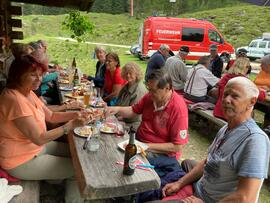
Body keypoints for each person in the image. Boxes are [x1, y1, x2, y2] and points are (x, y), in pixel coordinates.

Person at [161, 77, 270, 203]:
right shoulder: (226, 128)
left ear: (252, 101)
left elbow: (245, 198)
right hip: (202, 187)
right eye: (225, 94)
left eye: (234, 96)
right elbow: (209, 160)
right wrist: (179, 184)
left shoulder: (255, 140)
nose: (226, 100)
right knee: (187, 163)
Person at [0, 55, 92, 202]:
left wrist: (76, 113)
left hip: (33, 148)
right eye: (32, 75)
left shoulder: (27, 92)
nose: (39, 79)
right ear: (17, 75)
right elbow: (39, 138)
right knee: (80, 172)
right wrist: (70, 126)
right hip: (20, 159)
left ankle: (53, 180)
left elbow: (51, 116)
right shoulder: (14, 99)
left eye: (40, 75)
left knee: (78, 155)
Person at [107, 69, 189, 161]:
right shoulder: (150, 97)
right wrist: (117, 109)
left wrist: (146, 146)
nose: (149, 93)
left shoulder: (178, 108)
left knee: (122, 159)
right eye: (149, 89)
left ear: (167, 88)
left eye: (153, 90)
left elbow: (177, 146)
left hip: (159, 154)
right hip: (140, 143)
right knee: (111, 148)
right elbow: (134, 110)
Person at [116, 62, 147, 130]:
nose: (128, 75)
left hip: (132, 126)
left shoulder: (139, 90)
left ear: (136, 74)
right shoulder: (126, 86)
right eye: (126, 73)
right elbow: (118, 103)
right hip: (121, 121)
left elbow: (135, 115)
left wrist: (118, 119)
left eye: (130, 73)